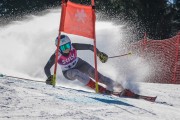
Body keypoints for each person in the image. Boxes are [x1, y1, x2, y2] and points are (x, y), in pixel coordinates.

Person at [44, 35, 151, 100]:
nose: (67, 48)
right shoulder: (56, 55)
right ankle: (97, 88)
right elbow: (46, 67)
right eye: (64, 47)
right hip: (68, 72)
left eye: (68, 45)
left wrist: (99, 54)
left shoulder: (74, 46)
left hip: (79, 63)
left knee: (96, 75)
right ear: (59, 48)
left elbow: (90, 47)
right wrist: (50, 77)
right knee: (76, 72)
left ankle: (122, 89)